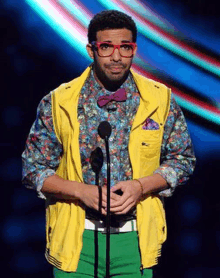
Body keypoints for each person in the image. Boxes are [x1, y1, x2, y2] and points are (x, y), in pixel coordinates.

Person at [22, 10, 196, 278]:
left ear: (134, 50)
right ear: (91, 50)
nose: (116, 57)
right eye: (106, 47)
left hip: (136, 242)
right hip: (75, 242)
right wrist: (82, 192)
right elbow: (33, 170)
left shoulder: (160, 99)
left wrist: (140, 187)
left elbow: (182, 160)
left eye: (125, 47)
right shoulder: (58, 101)